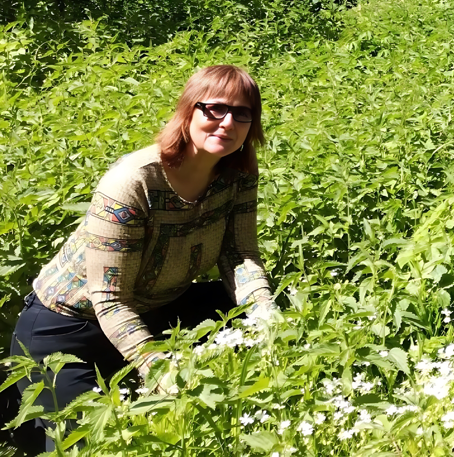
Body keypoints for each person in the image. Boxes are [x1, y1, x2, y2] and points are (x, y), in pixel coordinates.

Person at [9, 65, 276, 450]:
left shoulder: (238, 174)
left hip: (155, 309)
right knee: (92, 445)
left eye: (242, 113)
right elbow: (109, 298)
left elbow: (240, 254)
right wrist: (159, 366)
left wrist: (268, 322)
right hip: (68, 328)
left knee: (246, 306)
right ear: (188, 112)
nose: (227, 122)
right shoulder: (133, 182)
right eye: (214, 109)